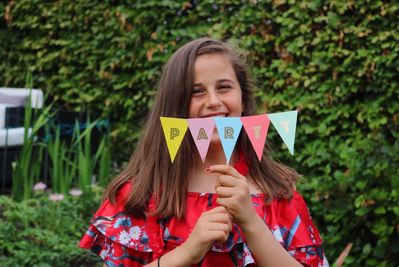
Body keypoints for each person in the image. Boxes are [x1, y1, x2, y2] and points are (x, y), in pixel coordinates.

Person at [79, 37, 329, 267]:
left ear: (243, 100)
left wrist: (252, 224)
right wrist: (188, 251)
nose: (213, 101)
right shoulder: (138, 196)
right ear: (175, 105)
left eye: (224, 87)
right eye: (196, 91)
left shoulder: (277, 194)